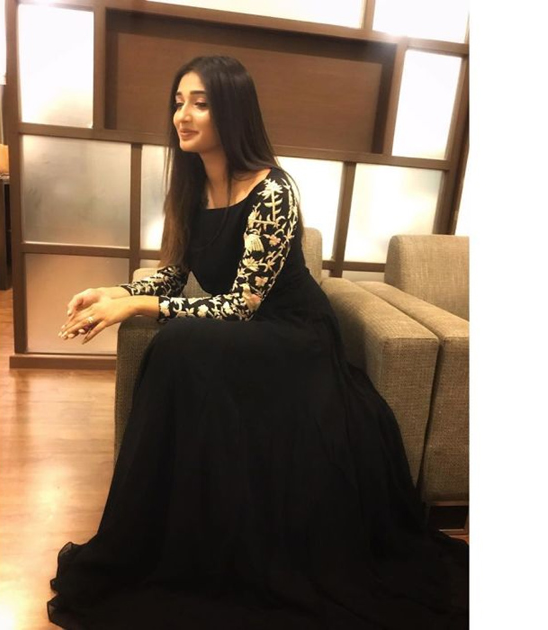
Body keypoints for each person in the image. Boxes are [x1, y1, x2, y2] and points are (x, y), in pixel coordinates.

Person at [48, 55, 468, 629]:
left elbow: (241, 306)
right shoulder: (193, 187)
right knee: (176, 346)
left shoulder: (274, 190)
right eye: (178, 102)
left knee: (178, 343)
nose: (182, 115)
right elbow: (174, 274)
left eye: (199, 104)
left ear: (233, 112)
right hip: (250, 335)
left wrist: (138, 306)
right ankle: (169, 532)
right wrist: (117, 290)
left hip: (295, 336)